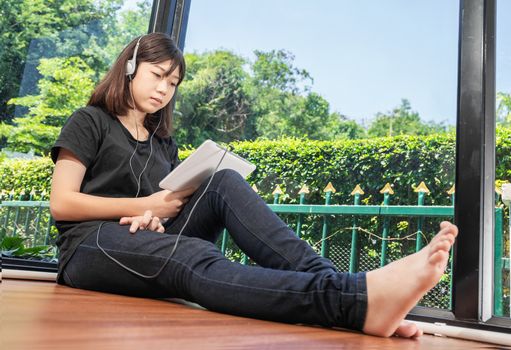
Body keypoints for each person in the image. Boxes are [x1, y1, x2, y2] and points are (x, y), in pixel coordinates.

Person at [50, 32, 459, 338]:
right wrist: (143, 207)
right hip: (88, 245)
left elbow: (158, 209)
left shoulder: (162, 141)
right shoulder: (89, 121)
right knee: (191, 254)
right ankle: (355, 301)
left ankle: (352, 294)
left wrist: (152, 217)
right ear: (129, 68)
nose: (164, 89)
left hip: (141, 237)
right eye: (158, 76)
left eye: (173, 83)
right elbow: (62, 204)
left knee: (223, 180)